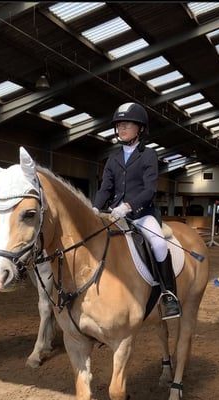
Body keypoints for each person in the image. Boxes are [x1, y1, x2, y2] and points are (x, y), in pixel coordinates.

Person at [91, 102, 181, 320]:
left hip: (142, 214)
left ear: (140, 128)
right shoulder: (112, 158)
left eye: (127, 125)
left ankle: (169, 295)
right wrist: (93, 208)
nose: (122, 129)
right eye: (119, 125)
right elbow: (106, 188)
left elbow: (150, 189)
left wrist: (128, 206)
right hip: (115, 214)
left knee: (159, 243)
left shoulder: (149, 155)